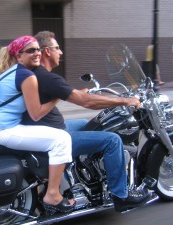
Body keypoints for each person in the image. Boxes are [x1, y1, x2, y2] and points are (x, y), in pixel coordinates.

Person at [22, 31, 151, 213]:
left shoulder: (38, 74)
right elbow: (87, 102)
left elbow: (72, 94)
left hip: (49, 129)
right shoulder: (47, 77)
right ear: (47, 52)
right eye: (57, 48)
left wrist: (82, 94)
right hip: (53, 136)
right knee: (112, 140)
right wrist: (125, 100)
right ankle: (121, 196)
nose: (61, 52)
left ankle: (88, 171)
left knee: (87, 123)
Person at [0, 35, 75, 214]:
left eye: (38, 49)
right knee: (62, 139)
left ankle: (49, 185)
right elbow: (36, 114)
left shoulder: (10, 71)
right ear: (19, 56)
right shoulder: (27, 76)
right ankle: (53, 194)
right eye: (30, 50)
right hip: (4, 130)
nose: (37, 53)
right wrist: (58, 96)